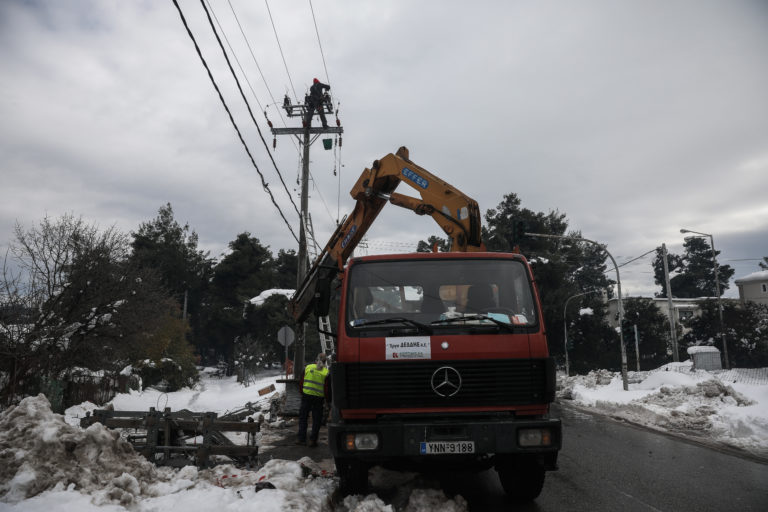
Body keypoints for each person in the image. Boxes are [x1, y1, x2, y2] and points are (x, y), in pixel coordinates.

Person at [296, 352, 330, 447]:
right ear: (325, 362)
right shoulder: (326, 372)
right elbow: (327, 389)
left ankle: (301, 439)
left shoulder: (308, 367)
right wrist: (327, 400)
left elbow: (301, 382)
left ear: (316, 359)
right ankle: (313, 440)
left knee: (303, 417)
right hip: (318, 398)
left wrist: (302, 393)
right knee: (316, 419)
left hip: (306, 396)